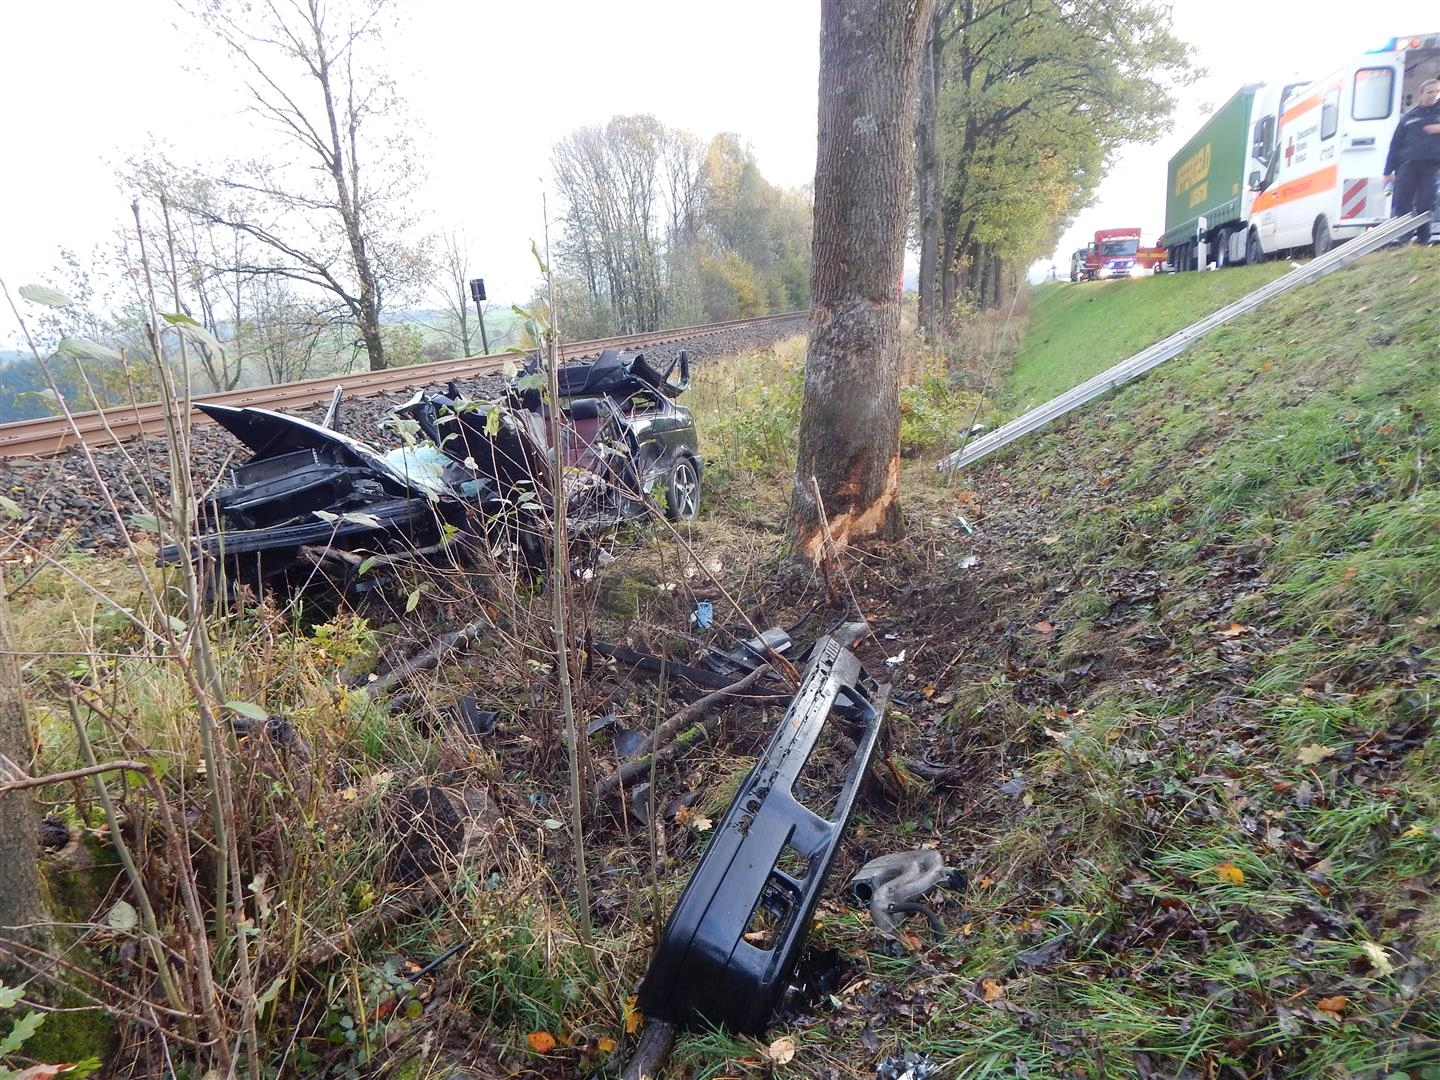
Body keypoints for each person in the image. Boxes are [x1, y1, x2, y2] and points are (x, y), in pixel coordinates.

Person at [1384, 78, 1440, 245]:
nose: (1434, 95)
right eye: (1430, 92)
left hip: (1430, 166)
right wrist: (1387, 172)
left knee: (1426, 203)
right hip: (1407, 166)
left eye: (1437, 92)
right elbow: (1394, 146)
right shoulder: (1408, 118)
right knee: (1403, 202)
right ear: (1420, 95)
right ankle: (1404, 239)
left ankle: (1423, 240)